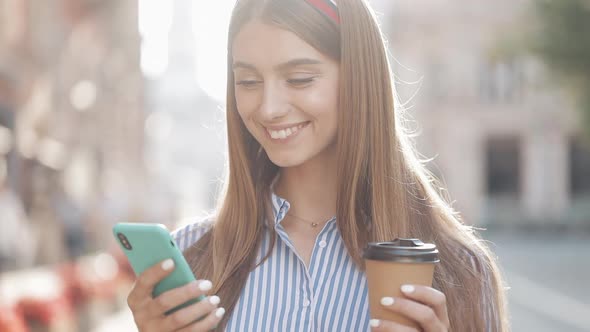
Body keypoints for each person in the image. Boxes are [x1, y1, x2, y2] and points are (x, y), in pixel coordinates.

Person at [125, 0, 509, 331]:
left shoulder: (461, 271)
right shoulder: (193, 258)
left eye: (299, 78)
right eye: (248, 81)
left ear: (358, 78)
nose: (269, 108)